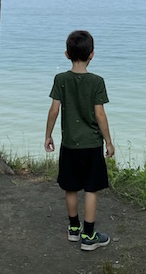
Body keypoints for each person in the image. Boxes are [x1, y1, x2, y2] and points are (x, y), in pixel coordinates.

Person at [45, 30, 115, 250]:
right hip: (92, 145)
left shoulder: (61, 79)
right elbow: (100, 115)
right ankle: (89, 236)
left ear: (67, 54)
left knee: (71, 187)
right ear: (92, 54)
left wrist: (48, 134)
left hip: (69, 144)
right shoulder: (97, 82)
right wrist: (109, 141)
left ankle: (74, 229)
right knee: (91, 189)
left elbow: (54, 110)